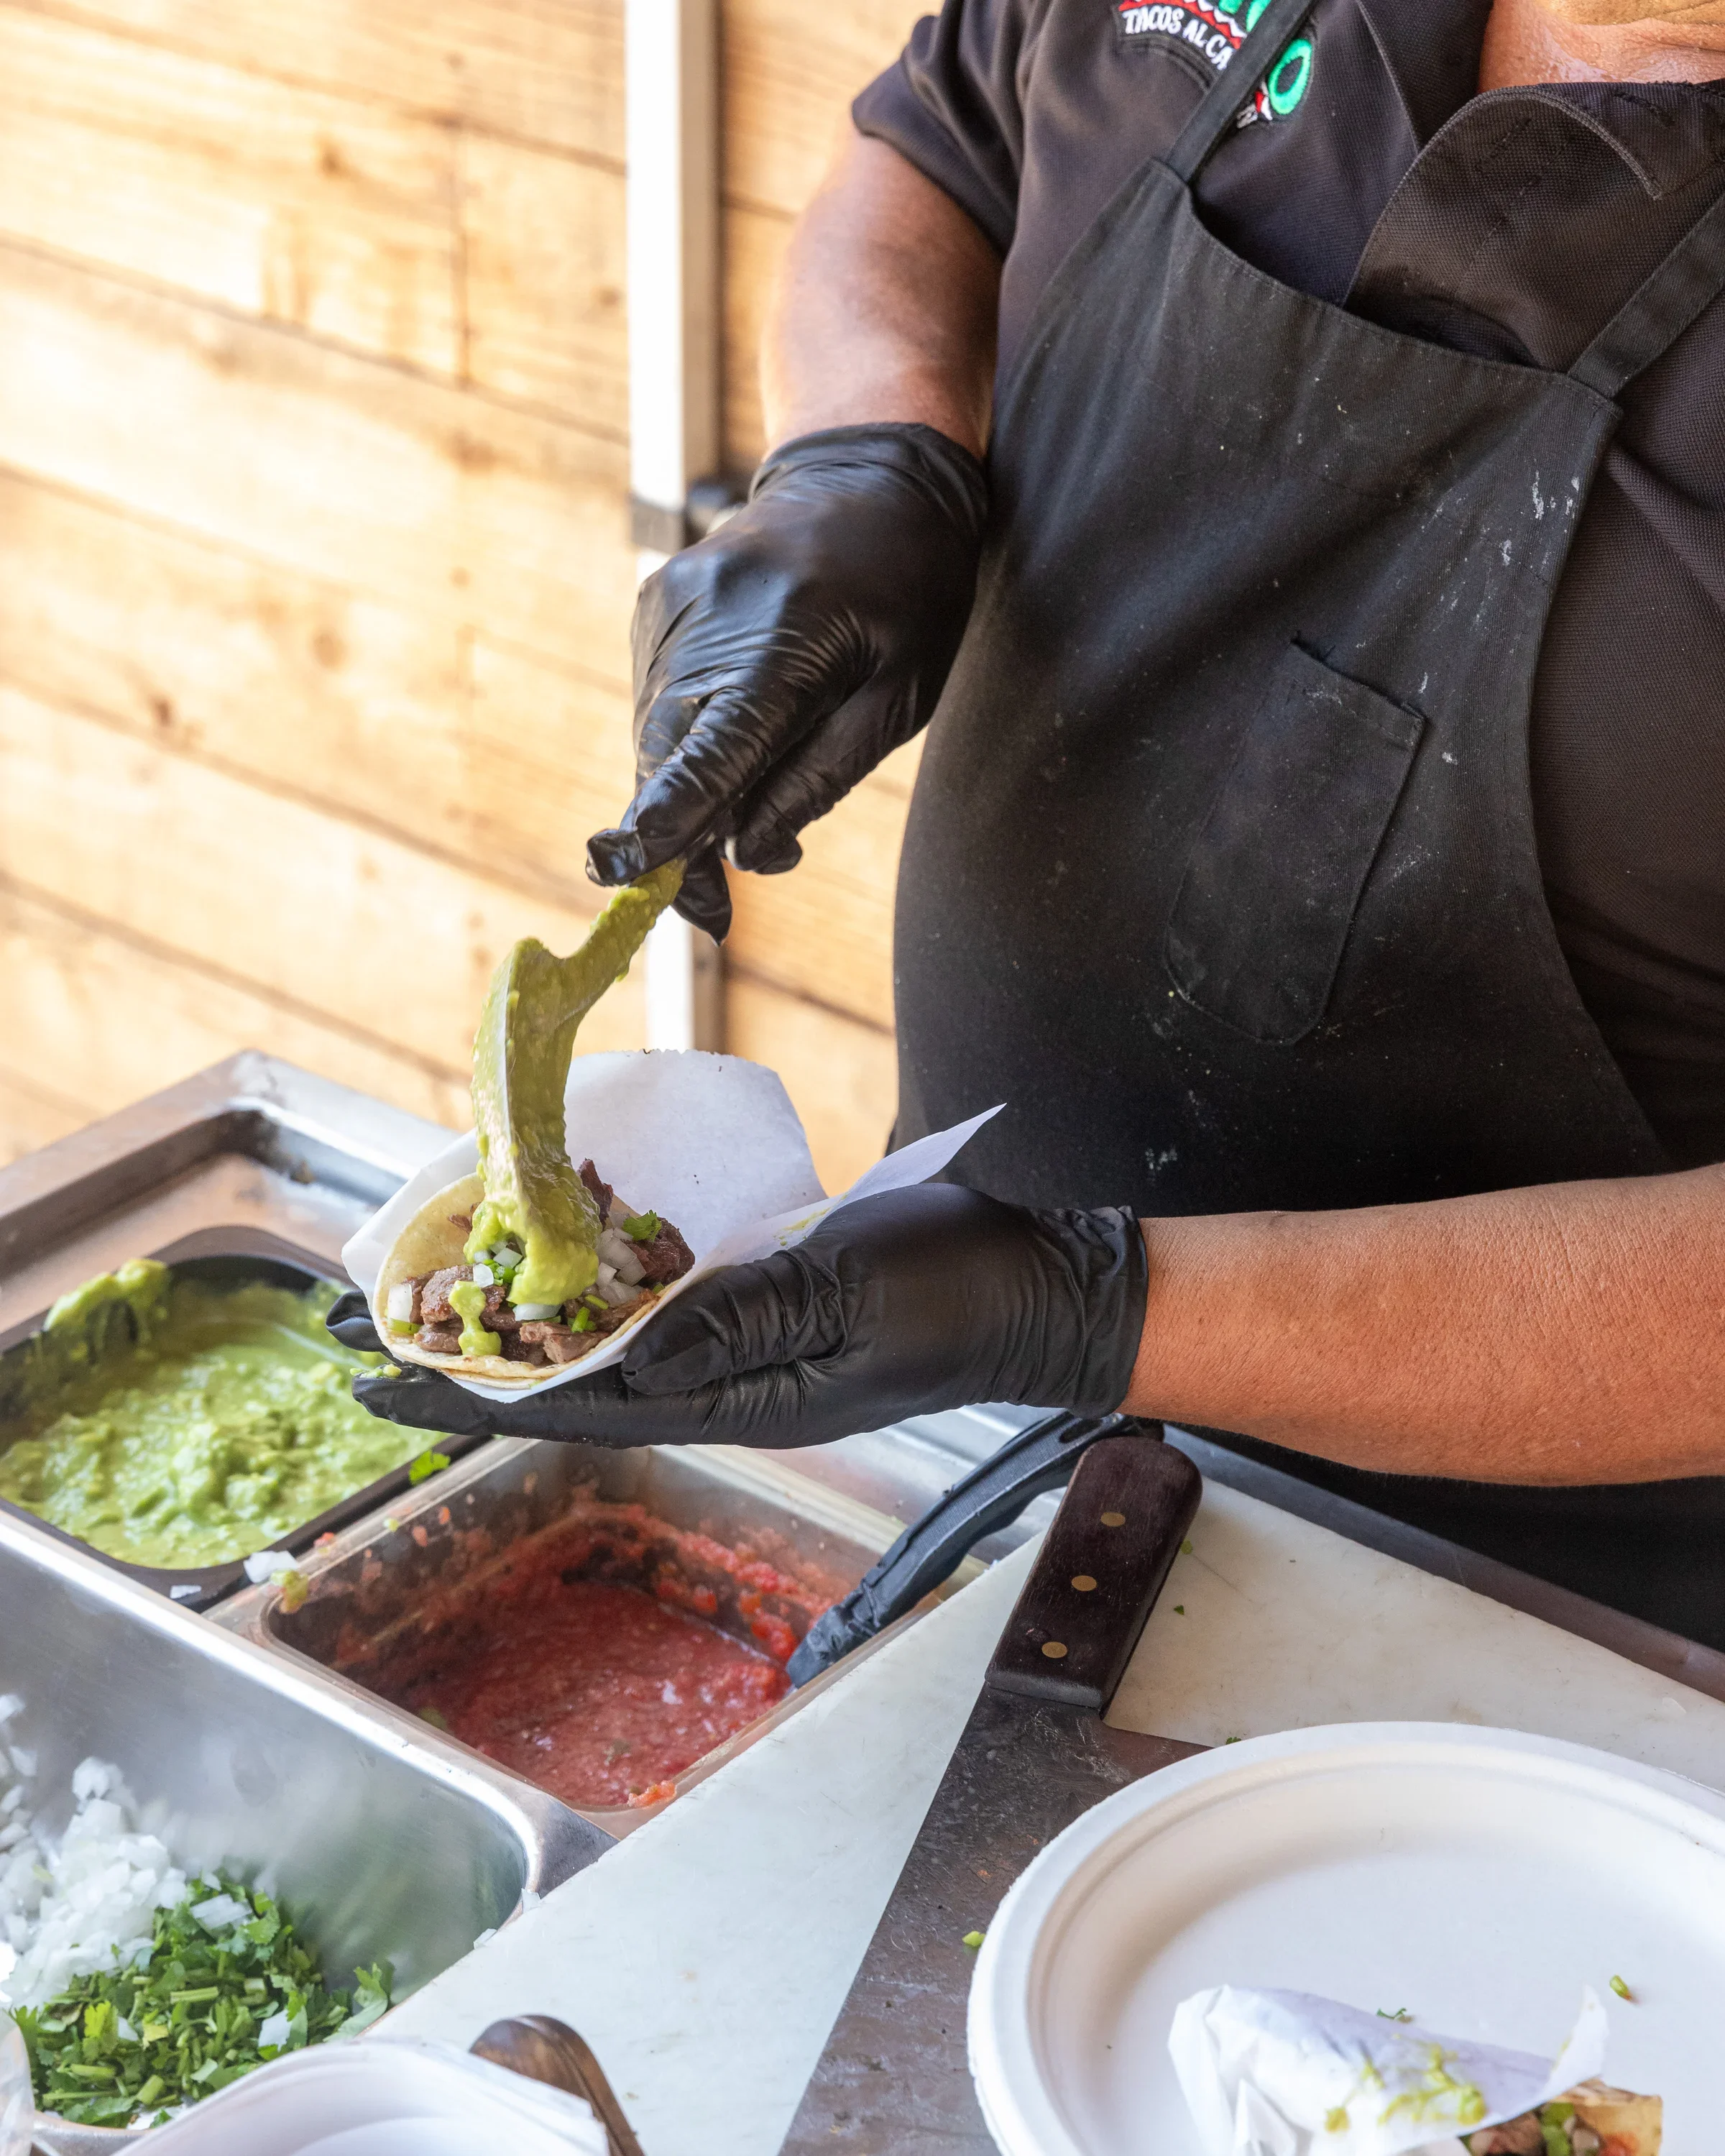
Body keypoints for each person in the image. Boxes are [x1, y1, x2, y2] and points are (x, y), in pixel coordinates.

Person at [351, 0, 1725, 1648]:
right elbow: (939, 143)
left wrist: (1099, 1307)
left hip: (1549, 1663)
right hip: (981, 1466)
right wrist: (874, 447)